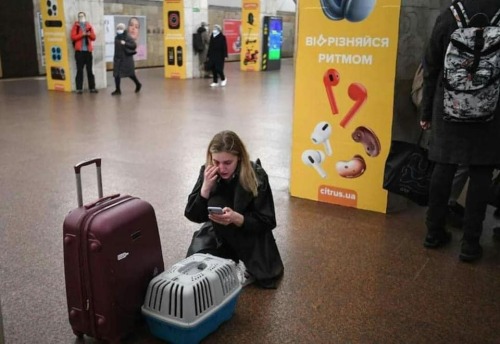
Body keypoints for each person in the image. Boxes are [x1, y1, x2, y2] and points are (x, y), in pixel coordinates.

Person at [420, 0, 500, 262]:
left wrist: (425, 111)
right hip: (491, 110)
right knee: (481, 172)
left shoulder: (449, 15)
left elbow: (431, 66)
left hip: (449, 106)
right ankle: (470, 244)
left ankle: (434, 232)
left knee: (444, 166)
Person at [184, 130, 284, 288]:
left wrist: (239, 219)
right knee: (196, 264)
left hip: (250, 231)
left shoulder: (256, 175)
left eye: (227, 163)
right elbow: (192, 215)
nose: (221, 168)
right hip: (218, 230)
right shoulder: (208, 172)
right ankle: (229, 260)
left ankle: (241, 263)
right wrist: (204, 190)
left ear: (239, 158)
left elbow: (268, 221)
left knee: (266, 275)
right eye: (216, 162)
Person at [70, 12, 97, 94]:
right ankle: (79, 88)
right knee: (79, 70)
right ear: (78, 17)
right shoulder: (76, 26)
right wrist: (82, 34)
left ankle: (92, 88)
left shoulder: (88, 26)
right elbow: (73, 37)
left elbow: (94, 37)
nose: (81, 17)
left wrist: (88, 34)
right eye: (80, 16)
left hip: (88, 52)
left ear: (85, 16)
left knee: (90, 70)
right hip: (79, 52)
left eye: (83, 16)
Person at [112, 23, 142, 96]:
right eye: (118, 28)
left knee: (130, 74)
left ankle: (138, 84)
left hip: (126, 59)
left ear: (124, 29)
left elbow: (134, 46)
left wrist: (125, 43)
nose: (119, 30)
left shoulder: (127, 37)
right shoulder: (116, 37)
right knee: (116, 75)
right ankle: (118, 90)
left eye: (121, 28)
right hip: (118, 59)